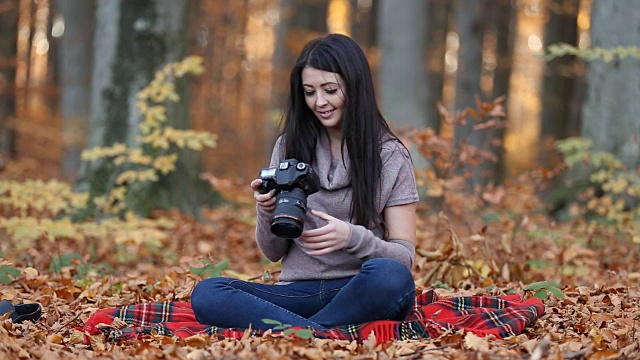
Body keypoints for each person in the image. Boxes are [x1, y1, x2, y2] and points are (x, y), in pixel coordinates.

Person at [191, 33, 419, 331]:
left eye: (330, 90)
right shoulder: (289, 146)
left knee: (391, 276)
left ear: (355, 86)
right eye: (309, 92)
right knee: (208, 293)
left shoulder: (389, 155)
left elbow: (403, 257)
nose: (319, 102)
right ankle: (316, 333)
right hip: (298, 292)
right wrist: (266, 208)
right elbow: (273, 253)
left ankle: (296, 332)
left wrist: (353, 238)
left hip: (360, 290)